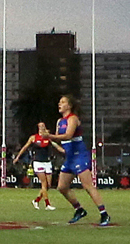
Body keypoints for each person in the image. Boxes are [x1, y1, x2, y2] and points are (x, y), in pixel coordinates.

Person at [50, 95, 111, 227]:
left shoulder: (73, 119)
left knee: (88, 186)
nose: (59, 104)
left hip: (80, 156)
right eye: (59, 102)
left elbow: (68, 135)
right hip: (70, 158)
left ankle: (104, 213)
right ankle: (79, 210)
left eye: (63, 102)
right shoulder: (60, 121)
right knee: (62, 187)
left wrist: (49, 136)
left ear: (69, 105)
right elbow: (59, 139)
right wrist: (48, 138)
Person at [21, 124, 58, 210]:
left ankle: (36, 200)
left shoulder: (47, 137)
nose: (42, 127)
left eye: (43, 126)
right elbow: (25, 147)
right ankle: (47, 204)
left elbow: (55, 143)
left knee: (48, 185)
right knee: (44, 184)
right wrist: (18, 156)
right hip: (38, 162)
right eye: (40, 126)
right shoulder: (33, 138)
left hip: (47, 162)